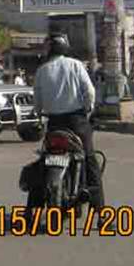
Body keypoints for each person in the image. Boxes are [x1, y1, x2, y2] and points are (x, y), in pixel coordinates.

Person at [31, 34, 102, 208]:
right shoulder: (76, 65)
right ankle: (102, 214)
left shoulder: (42, 70)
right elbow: (90, 92)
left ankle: (29, 212)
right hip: (76, 121)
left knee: (43, 162)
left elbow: (37, 102)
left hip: (54, 123)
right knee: (90, 161)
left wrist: (39, 114)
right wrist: (88, 109)